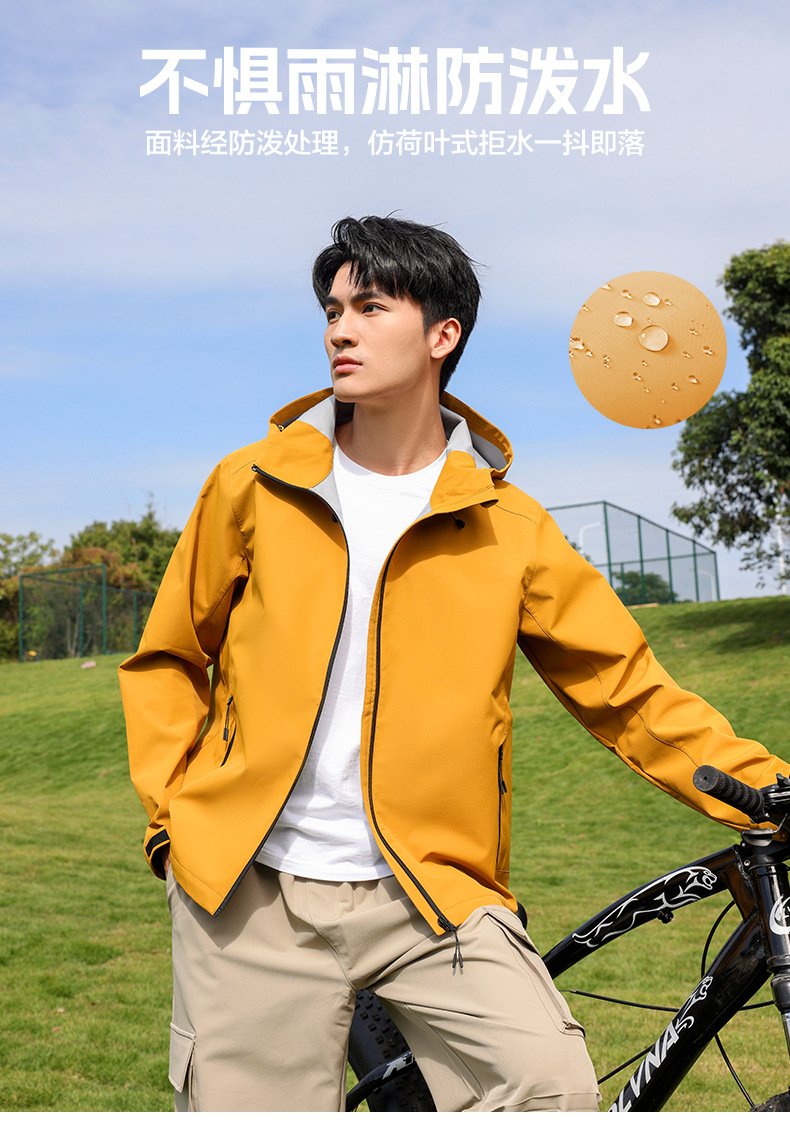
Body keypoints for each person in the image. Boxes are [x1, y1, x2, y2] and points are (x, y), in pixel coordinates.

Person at [119, 215, 788, 1112]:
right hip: (252, 893)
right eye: (332, 311)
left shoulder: (511, 526)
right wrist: (175, 826)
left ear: (443, 335)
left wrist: (770, 789)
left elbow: (627, 693)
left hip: (435, 894)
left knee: (550, 1092)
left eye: (370, 307)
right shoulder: (253, 485)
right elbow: (168, 657)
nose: (340, 330)